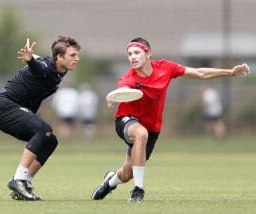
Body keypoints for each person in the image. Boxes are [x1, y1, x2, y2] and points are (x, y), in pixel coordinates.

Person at [91, 37, 250, 203]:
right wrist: (114, 96)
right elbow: (122, 89)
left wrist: (230, 72)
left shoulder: (166, 68)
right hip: (126, 120)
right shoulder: (129, 77)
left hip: (152, 128)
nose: (132, 57)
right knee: (140, 133)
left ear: (148, 54)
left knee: (127, 173)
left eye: (137, 52)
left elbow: (199, 73)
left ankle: (109, 182)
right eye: (130, 54)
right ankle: (138, 191)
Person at [0, 36, 81, 201]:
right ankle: (18, 179)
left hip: (13, 108)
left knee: (50, 140)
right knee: (44, 129)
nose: (77, 59)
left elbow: (41, 63)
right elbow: (39, 68)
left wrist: (34, 57)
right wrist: (30, 60)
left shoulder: (57, 68)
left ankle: (25, 182)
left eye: (76, 55)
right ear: (59, 57)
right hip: (4, 108)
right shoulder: (48, 67)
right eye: (72, 55)